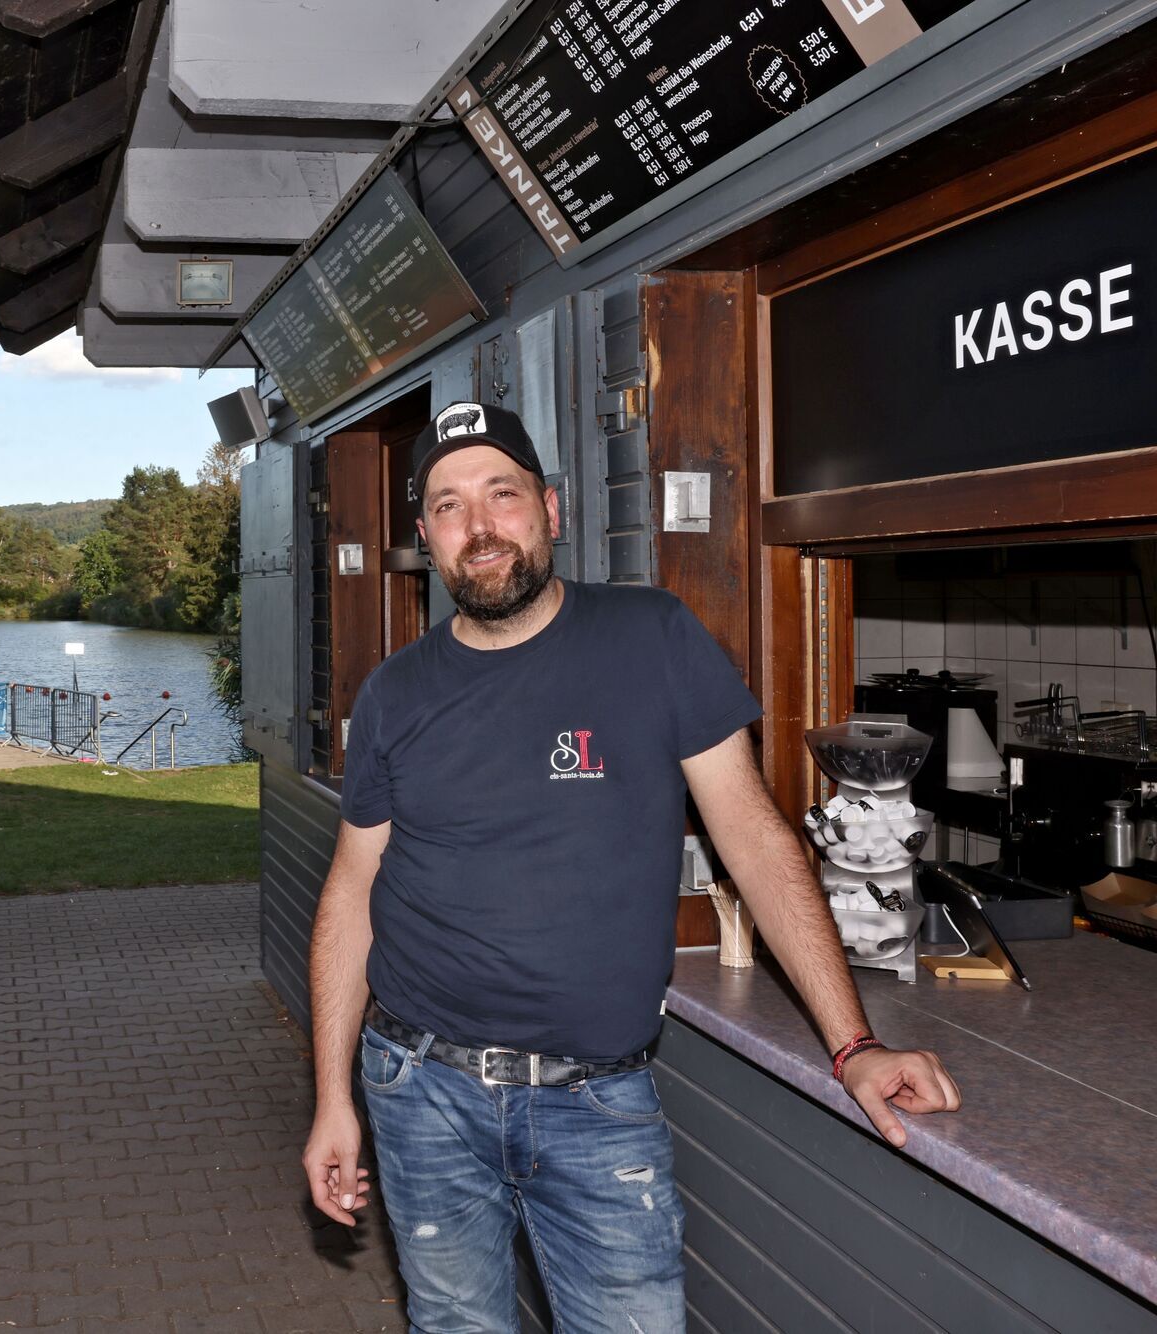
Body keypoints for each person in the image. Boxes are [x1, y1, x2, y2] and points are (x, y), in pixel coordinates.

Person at [301, 402, 961, 1333]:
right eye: (449, 506)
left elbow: (756, 841)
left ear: (553, 509)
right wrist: (334, 1099)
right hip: (422, 1091)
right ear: (425, 538)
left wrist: (853, 1046)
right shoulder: (394, 695)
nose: (480, 526)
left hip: (598, 1100)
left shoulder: (653, 638)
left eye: (503, 494)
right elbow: (351, 891)